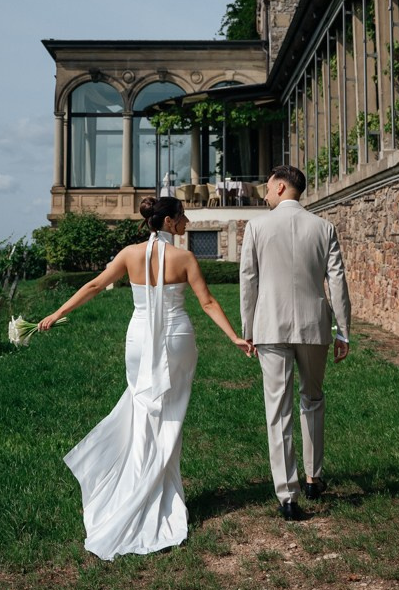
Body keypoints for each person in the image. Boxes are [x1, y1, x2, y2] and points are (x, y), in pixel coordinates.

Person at [38, 195, 253, 560]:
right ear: (168, 222)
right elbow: (208, 302)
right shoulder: (184, 258)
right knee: (168, 419)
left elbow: (93, 286)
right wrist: (233, 336)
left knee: (143, 413)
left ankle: (141, 487)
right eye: (182, 216)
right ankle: (154, 493)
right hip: (176, 338)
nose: (186, 221)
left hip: (139, 339)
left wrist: (56, 313)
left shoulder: (129, 255)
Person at [239, 165, 351, 522]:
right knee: (313, 399)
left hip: (270, 326)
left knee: (278, 411)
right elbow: (337, 282)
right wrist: (343, 330)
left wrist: (248, 328)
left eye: (268, 189)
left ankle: (288, 496)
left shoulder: (256, 227)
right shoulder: (324, 227)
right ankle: (314, 477)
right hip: (313, 326)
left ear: (282, 186)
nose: (266, 195)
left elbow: (248, 281)